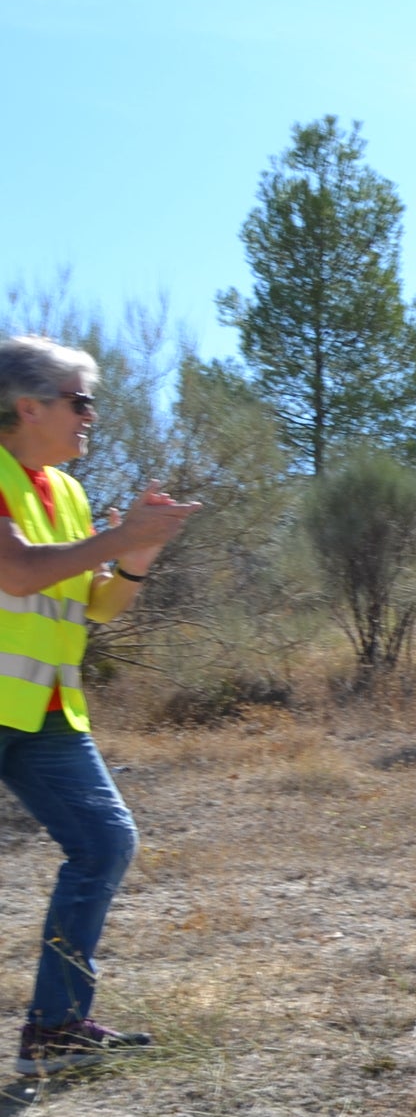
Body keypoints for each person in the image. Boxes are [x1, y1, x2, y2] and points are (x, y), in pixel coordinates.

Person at [1, 337, 199, 1077]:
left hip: (46, 712)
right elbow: (17, 571)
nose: (91, 417)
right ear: (30, 406)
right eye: (80, 401)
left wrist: (136, 554)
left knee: (104, 843)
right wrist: (118, 536)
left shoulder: (68, 491)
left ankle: (55, 1029)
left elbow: (100, 607)